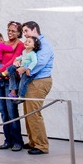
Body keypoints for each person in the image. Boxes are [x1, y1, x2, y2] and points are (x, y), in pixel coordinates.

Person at [0, 21, 25, 151]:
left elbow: (13, 61)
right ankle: (7, 140)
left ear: (19, 33)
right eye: (8, 30)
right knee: (3, 112)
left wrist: (0, 70)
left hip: (10, 81)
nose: (10, 33)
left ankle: (17, 141)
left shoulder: (19, 44)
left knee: (12, 112)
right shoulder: (2, 43)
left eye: (13, 31)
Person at [20, 21, 54, 155]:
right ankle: (33, 141)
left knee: (34, 113)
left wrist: (25, 69)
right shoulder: (32, 44)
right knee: (28, 113)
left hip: (40, 81)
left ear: (34, 29)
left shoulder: (44, 44)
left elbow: (40, 62)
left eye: (26, 31)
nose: (24, 34)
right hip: (32, 81)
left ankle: (42, 145)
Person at [0, 36, 41, 105]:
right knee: (12, 67)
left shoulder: (32, 54)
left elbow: (34, 62)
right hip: (21, 66)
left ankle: (21, 97)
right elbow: (22, 57)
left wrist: (29, 68)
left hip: (27, 70)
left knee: (23, 83)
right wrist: (17, 59)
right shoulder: (24, 51)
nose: (26, 42)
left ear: (34, 46)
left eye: (29, 42)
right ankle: (4, 74)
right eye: (26, 41)